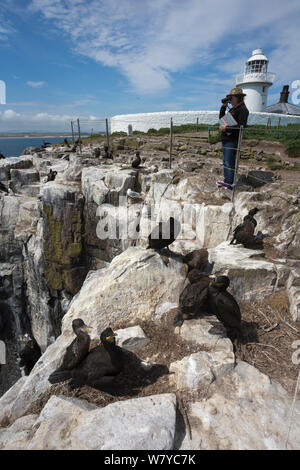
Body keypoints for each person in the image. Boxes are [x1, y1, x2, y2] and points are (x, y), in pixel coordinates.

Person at [218, 87, 249, 190]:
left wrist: (226, 127)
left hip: (232, 140)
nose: (230, 99)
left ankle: (229, 185)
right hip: (227, 139)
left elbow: (241, 126)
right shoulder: (233, 109)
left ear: (238, 97)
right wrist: (223, 107)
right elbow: (222, 119)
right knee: (225, 161)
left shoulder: (243, 110)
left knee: (229, 162)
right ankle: (227, 181)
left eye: (232, 97)